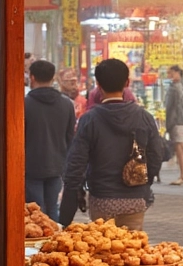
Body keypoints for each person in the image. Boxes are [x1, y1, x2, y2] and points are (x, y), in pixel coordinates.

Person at [59, 58, 163, 230]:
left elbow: (76, 163)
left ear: (98, 86)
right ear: (127, 83)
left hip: (102, 198)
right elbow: (156, 156)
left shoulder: (90, 119)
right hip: (135, 199)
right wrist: (143, 182)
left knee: (103, 250)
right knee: (132, 250)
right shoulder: (144, 116)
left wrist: (68, 208)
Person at [25, 60, 75, 221]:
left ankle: (36, 245)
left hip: (30, 166)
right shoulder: (66, 104)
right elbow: (70, 136)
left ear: (32, 77)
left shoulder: (24, 104)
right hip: (57, 165)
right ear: (53, 78)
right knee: (52, 208)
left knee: (34, 210)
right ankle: (54, 242)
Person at [165, 65, 183, 185]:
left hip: (178, 121)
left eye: (171, 73)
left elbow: (170, 107)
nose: (169, 76)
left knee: (180, 148)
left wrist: (168, 124)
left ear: (178, 73)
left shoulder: (174, 89)